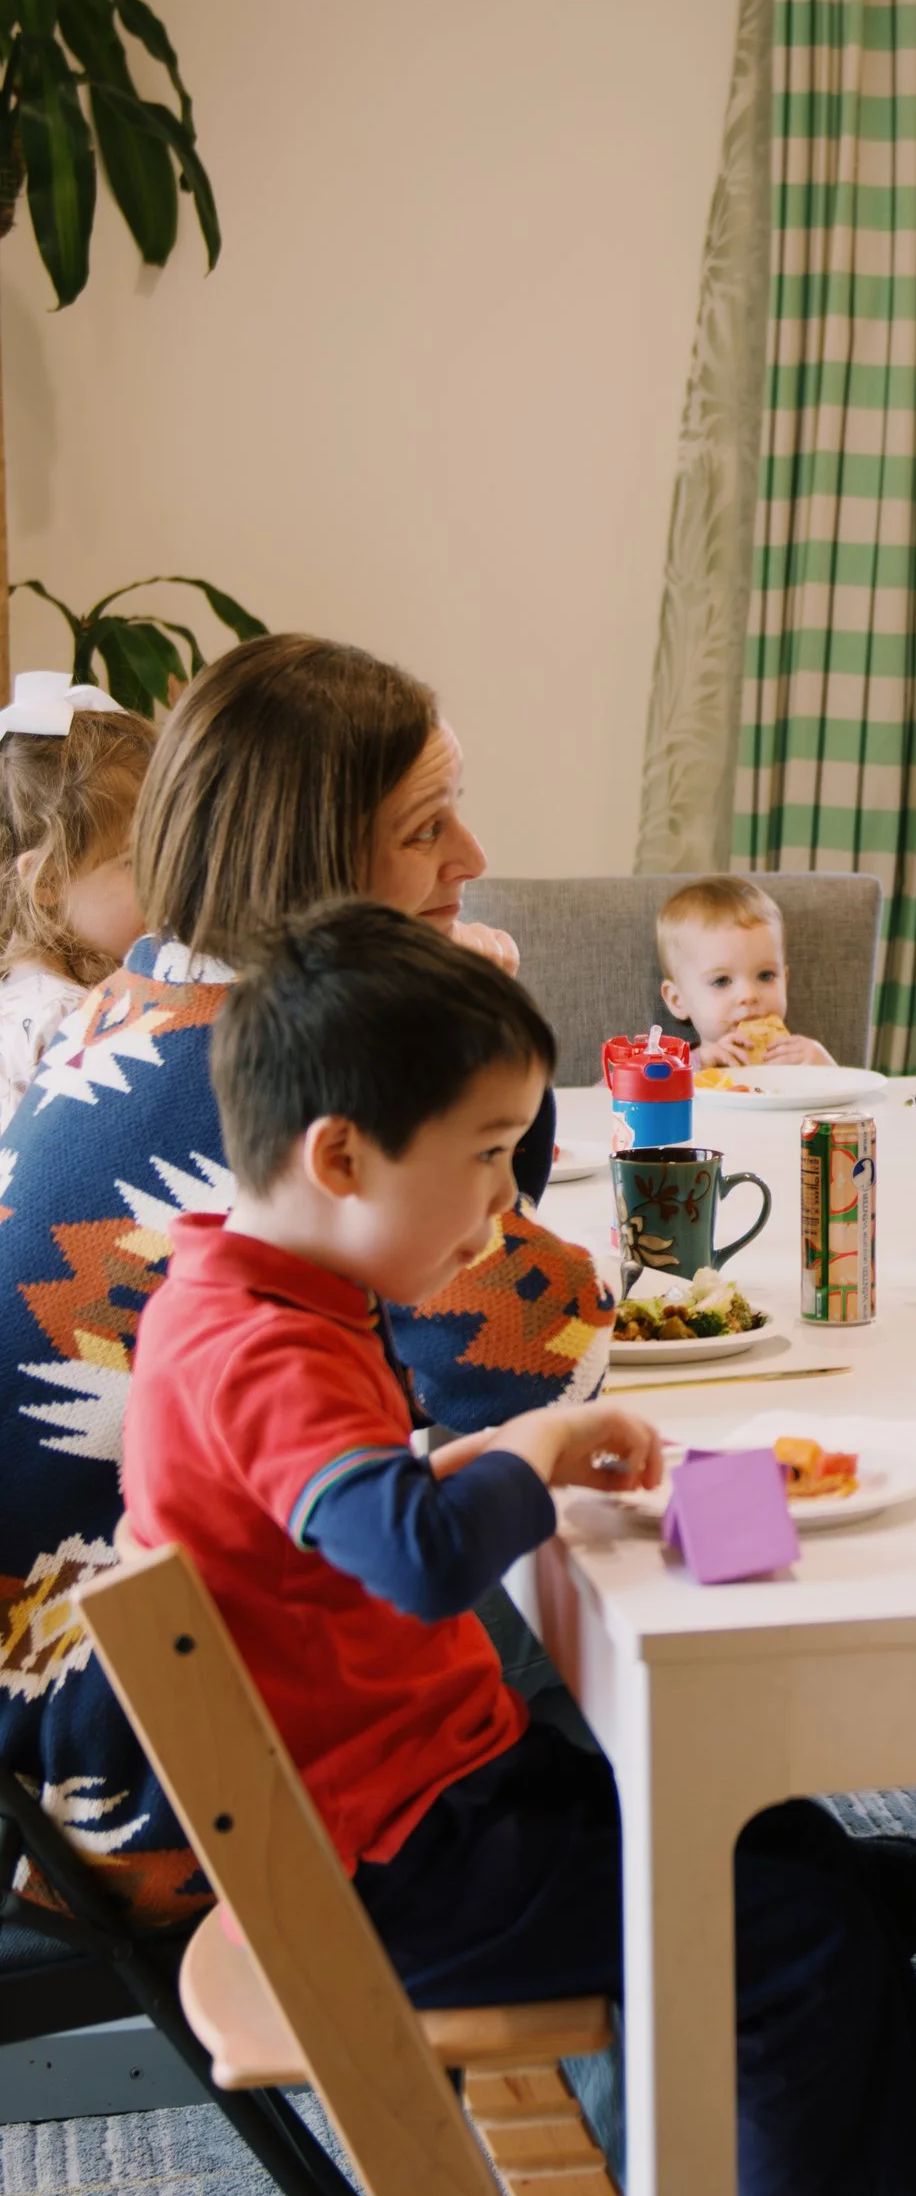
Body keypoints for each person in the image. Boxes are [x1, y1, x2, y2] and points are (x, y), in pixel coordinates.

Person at [122, 905, 916, 2196]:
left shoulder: (258, 1292)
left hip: (424, 1797)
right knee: (794, 1925)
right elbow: (411, 1556)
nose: (497, 1201)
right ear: (341, 1157)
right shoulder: (260, 1345)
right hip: (395, 1859)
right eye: (482, 1155)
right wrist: (533, 1445)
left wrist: (511, 1448)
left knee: (797, 1842)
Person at [0, 633, 613, 1929]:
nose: (473, 858)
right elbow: (530, 1361)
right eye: (427, 826)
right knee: (580, 1582)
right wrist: (452, 1038)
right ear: (315, 868)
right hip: (132, 1760)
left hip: (51, 1683)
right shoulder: (295, 1086)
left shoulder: (135, 1002)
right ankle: (633, 1945)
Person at [0, 672, 153, 1110]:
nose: (166, 882)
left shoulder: (26, 996)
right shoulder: (71, 1020)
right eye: (134, 862)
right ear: (47, 880)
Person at [656, 875, 837, 1070]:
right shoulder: (680, 1067)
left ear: (785, 980)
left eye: (765, 976)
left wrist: (826, 1069)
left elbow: (854, 1097)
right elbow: (640, 1093)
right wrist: (695, 1066)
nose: (749, 995)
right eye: (722, 981)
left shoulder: (797, 1060)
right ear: (677, 1000)